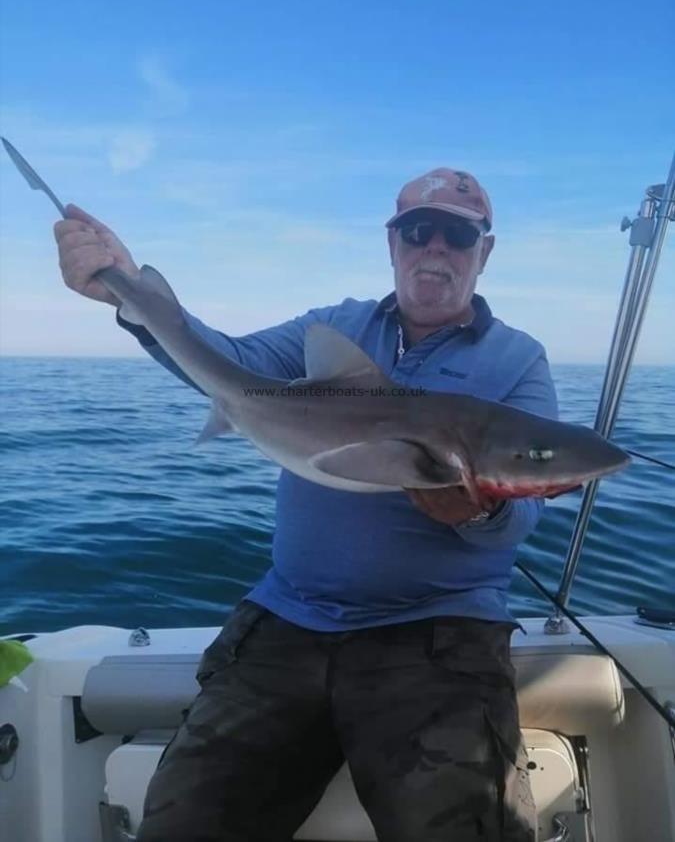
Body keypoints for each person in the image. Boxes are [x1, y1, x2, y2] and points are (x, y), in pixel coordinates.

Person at [54, 167, 557, 842]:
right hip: (287, 621)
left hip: (437, 634)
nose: (434, 247)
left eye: (458, 235)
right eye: (417, 230)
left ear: (483, 252)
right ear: (393, 243)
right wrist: (129, 295)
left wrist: (478, 514)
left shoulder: (517, 361)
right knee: (186, 825)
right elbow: (225, 362)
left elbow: (521, 518)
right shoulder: (332, 328)